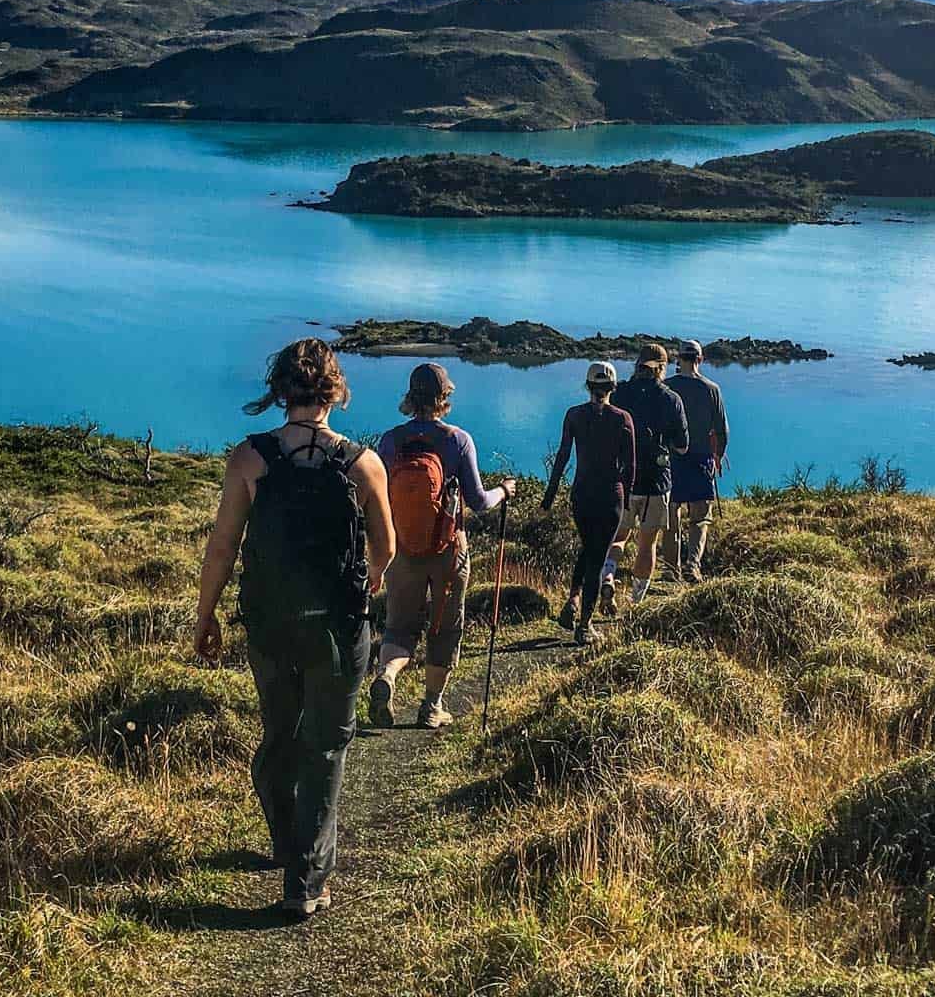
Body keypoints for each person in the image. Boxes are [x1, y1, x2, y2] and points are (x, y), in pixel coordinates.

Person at [192, 339, 394, 920]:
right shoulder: (362, 463)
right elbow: (387, 548)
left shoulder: (249, 459)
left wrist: (205, 617)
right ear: (335, 391)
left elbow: (223, 548)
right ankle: (305, 880)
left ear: (280, 391)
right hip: (338, 626)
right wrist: (368, 582)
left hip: (270, 623)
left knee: (280, 736)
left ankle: (286, 842)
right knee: (326, 747)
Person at [368, 362, 517, 730]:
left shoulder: (389, 441)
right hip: (448, 549)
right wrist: (505, 491)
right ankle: (431, 706)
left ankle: (387, 675)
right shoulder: (456, 439)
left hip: (401, 547)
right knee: (445, 629)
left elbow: (378, 496)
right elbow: (479, 502)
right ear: (444, 397)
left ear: (410, 396)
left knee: (399, 626)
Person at [541, 361, 635, 644]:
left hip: (581, 494)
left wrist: (550, 495)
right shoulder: (622, 419)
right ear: (613, 388)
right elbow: (630, 467)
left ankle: (572, 600)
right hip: (610, 497)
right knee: (597, 557)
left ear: (588, 385)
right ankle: (585, 626)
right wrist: (628, 500)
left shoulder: (574, 415)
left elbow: (562, 456)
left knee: (589, 548)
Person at [603, 343, 689, 608]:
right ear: (662, 368)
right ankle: (636, 601)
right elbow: (682, 446)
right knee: (647, 544)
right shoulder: (671, 399)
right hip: (657, 482)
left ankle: (607, 576)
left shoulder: (619, 394)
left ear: (637, 364)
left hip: (623, 480)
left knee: (618, 537)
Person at [665, 339, 729, 582]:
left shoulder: (667, 387)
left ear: (678, 359)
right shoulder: (712, 389)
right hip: (702, 459)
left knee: (672, 518)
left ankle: (672, 570)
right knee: (700, 518)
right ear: (700, 360)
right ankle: (693, 566)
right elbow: (722, 431)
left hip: (672, 461)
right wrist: (718, 457)